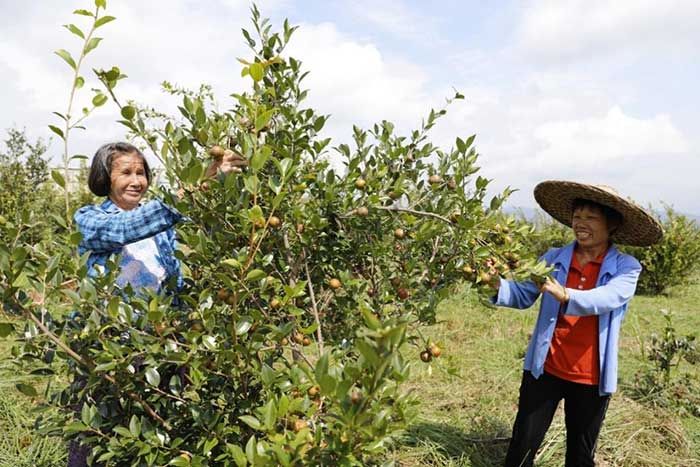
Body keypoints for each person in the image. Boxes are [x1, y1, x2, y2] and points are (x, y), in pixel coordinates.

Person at [67, 141, 246, 467]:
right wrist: (195, 186)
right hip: (108, 350)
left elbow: (180, 275)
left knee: (151, 439)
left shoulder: (162, 228)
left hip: (158, 347)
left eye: (142, 173)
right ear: (106, 178)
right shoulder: (89, 219)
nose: (137, 180)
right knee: (95, 440)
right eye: (126, 173)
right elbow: (123, 229)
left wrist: (224, 184)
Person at [491, 181, 662, 467]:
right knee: (522, 445)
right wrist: (494, 285)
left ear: (611, 226)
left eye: (591, 217)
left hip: (590, 377)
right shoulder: (552, 259)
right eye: (577, 216)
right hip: (545, 368)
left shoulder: (626, 268)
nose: (581, 223)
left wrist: (566, 294)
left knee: (580, 455)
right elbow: (522, 295)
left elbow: (609, 297)